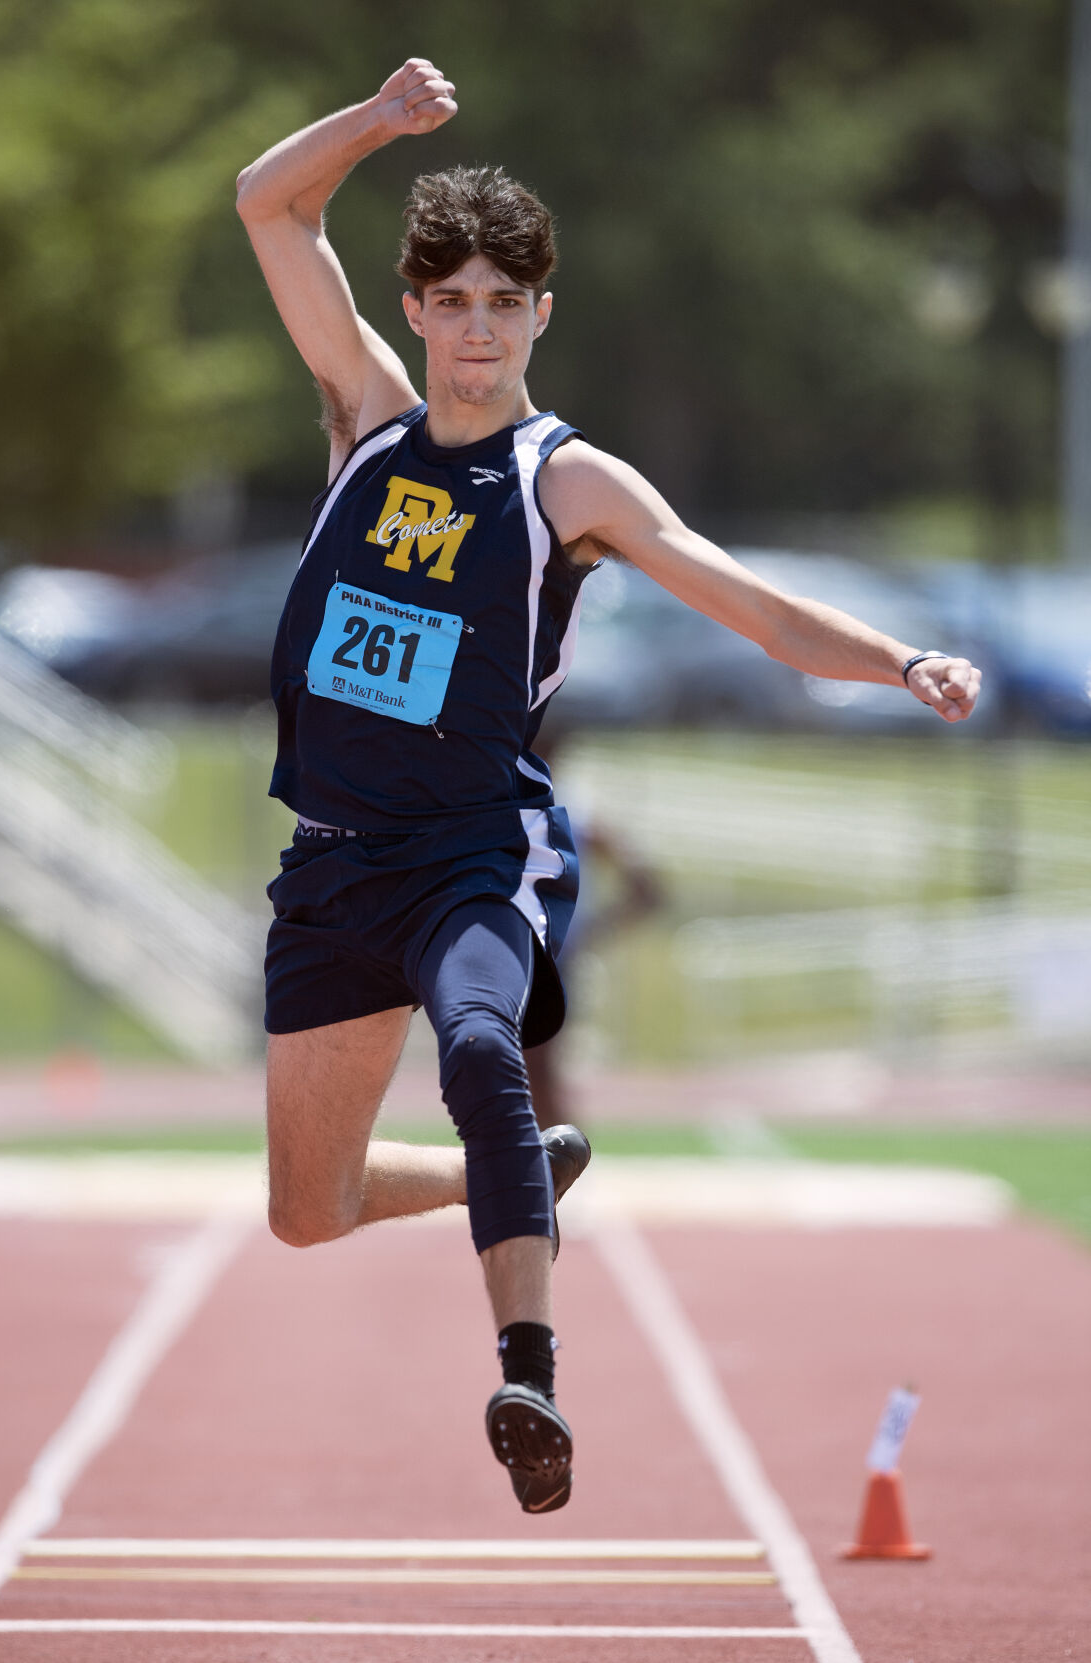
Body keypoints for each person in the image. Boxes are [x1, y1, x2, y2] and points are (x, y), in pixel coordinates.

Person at [235, 58, 982, 1515]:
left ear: (541, 315)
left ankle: (530, 1376)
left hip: (471, 849)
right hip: (331, 861)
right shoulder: (365, 422)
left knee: (479, 1045)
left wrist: (903, 660)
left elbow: (758, 613)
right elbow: (270, 205)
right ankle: (506, 1169)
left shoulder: (564, 481)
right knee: (305, 1212)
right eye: (453, 300)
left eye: (504, 303)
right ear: (415, 311)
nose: (477, 328)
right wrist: (379, 122)